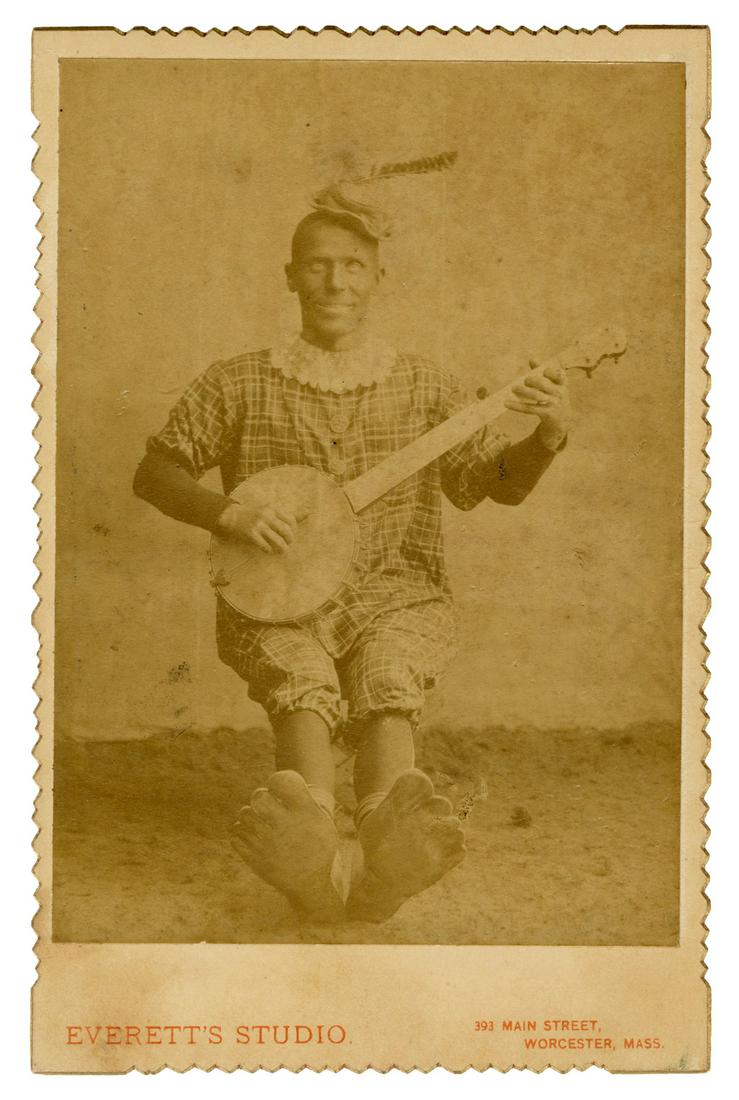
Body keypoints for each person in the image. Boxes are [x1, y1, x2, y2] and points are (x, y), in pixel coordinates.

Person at [133, 188, 572, 924]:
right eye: (317, 266)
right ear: (290, 276)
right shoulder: (236, 380)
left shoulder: (427, 385)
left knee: (387, 676)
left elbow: (488, 486)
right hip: (274, 594)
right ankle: (307, 851)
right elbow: (156, 473)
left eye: (353, 267)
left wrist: (545, 437)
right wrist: (229, 511)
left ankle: (384, 850)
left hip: (395, 591)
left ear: (377, 279)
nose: (335, 283)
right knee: (298, 676)